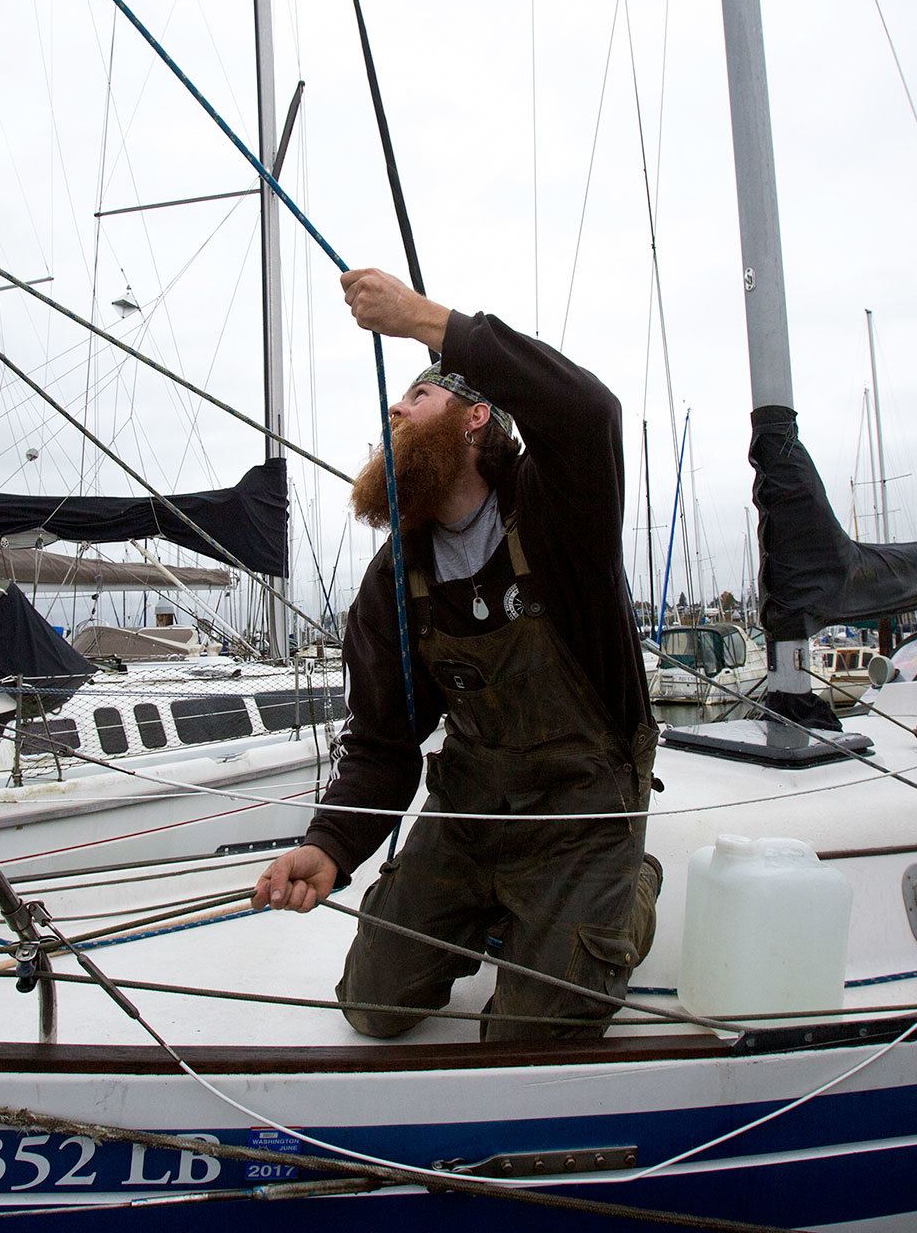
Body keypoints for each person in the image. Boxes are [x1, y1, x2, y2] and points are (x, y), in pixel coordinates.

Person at [251, 267, 661, 1042]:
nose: (394, 409)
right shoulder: (393, 584)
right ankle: (501, 907)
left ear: (476, 419)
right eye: (395, 401)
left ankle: (628, 888)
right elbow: (380, 746)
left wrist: (421, 318)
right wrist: (329, 844)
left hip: (582, 816)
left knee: (526, 1038)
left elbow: (588, 411)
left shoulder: (558, 509)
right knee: (372, 1006)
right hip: (472, 811)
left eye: (418, 397)